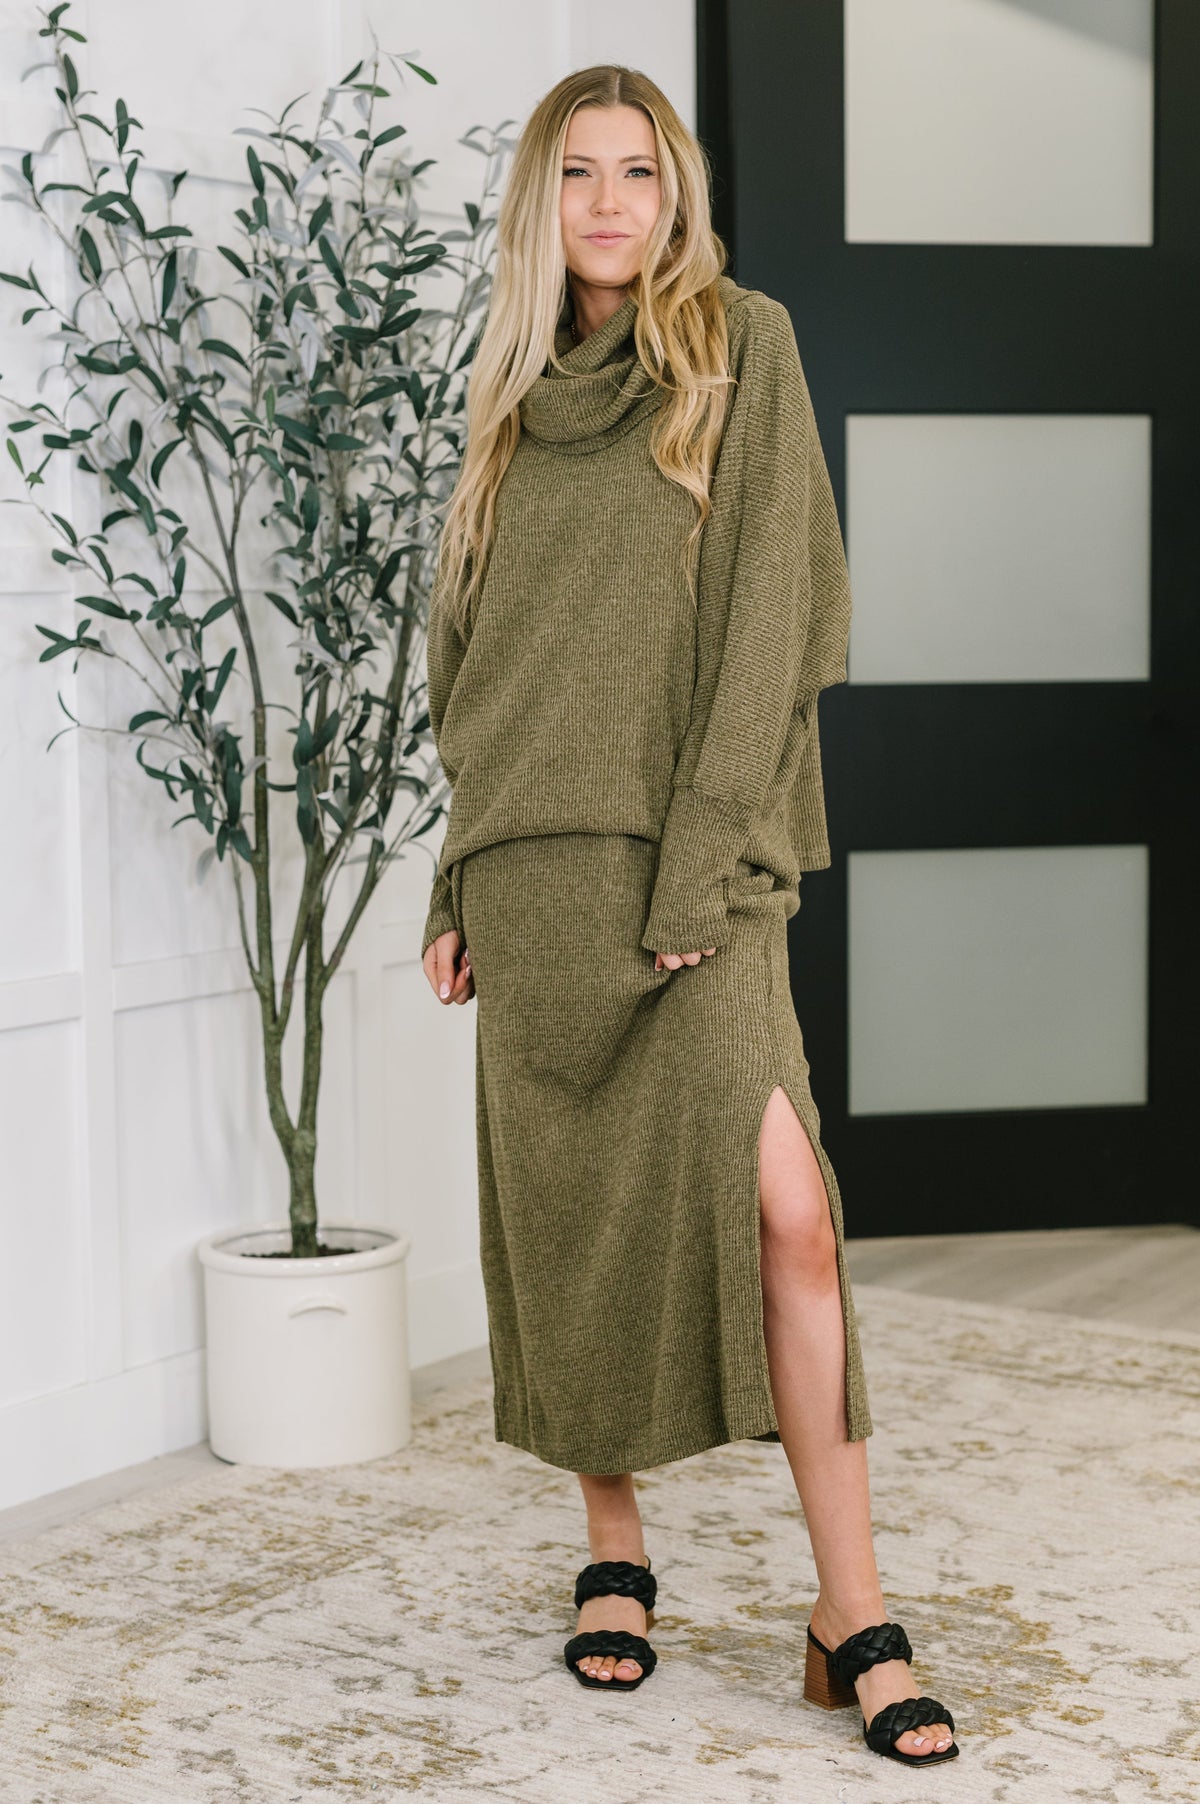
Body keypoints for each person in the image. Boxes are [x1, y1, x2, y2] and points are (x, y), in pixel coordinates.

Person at [419, 64, 959, 1769]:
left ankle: (848, 1611)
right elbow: (470, 664)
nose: (604, 205)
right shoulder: (505, 402)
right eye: (573, 174)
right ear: (540, 201)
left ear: (678, 191)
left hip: (695, 876)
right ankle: (616, 1548)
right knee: (573, 1212)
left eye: (635, 172)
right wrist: (454, 876)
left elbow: (779, 618)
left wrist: (700, 861)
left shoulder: (744, 348)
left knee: (790, 1215)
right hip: (533, 873)